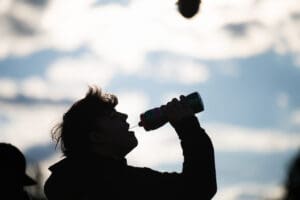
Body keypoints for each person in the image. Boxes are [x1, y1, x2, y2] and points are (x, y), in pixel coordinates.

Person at [44, 86, 217, 200]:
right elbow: (198, 188)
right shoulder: (121, 183)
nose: (124, 116)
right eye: (112, 116)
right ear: (96, 137)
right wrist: (187, 126)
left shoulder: (64, 181)